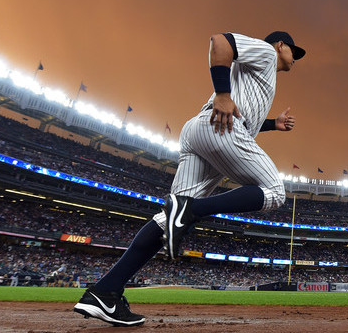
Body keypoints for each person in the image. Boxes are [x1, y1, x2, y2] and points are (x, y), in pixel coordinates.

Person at [74, 31, 306, 327]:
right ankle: (190, 209)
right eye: (292, 52)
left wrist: (274, 124)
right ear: (281, 45)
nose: (293, 59)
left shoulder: (259, 74)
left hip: (204, 131)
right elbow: (221, 41)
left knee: (164, 220)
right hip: (221, 128)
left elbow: (248, 116)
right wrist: (222, 94)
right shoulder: (266, 52)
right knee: (274, 192)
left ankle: (105, 291)